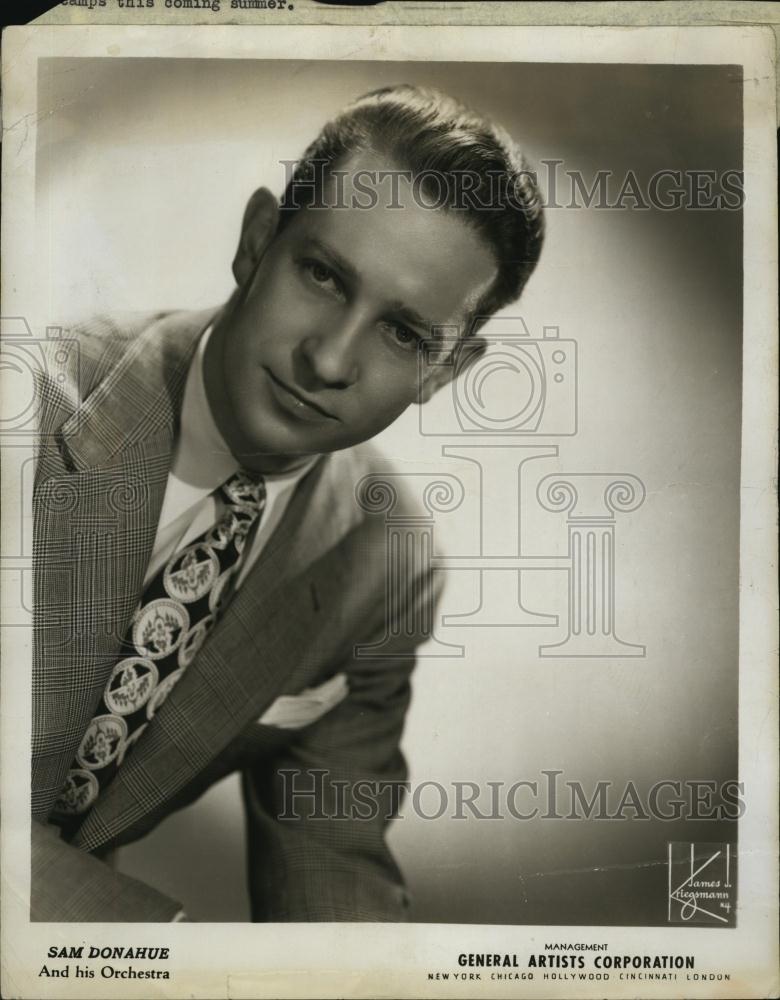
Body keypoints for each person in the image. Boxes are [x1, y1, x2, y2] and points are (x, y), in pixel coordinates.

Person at [30, 84, 544, 922]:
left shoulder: (385, 563)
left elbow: (329, 859)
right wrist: (172, 958)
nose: (331, 360)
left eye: (404, 334)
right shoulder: (32, 403)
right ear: (257, 240)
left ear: (445, 372)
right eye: (322, 275)